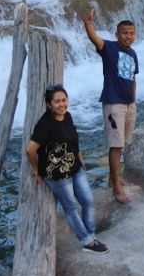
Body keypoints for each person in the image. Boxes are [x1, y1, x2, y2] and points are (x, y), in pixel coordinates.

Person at [25, 85, 108, 254]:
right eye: (57, 102)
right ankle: (87, 242)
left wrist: (80, 157)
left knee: (88, 200)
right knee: (70, 207)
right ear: (49, 105)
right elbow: (30, 150)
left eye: (64, 100)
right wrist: (36, 169)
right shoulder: (45, 125)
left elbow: (73, 140)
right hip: (57, 175)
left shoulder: (67, 116)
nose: (61, 104)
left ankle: (91, 234)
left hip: (75, 168)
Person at [83, 10, 139, 204]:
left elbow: (133, 78)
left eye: (131, 33)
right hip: (113, 103)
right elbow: (95, 39)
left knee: (121, 143)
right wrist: (88, 24)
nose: (128, 36)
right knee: (115, 146)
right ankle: (116, 188)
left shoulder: (132, 53)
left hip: (129, 104)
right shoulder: (109, 48)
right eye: (125, 33)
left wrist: (133, 99)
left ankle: (113, 178)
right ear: (117, 35)